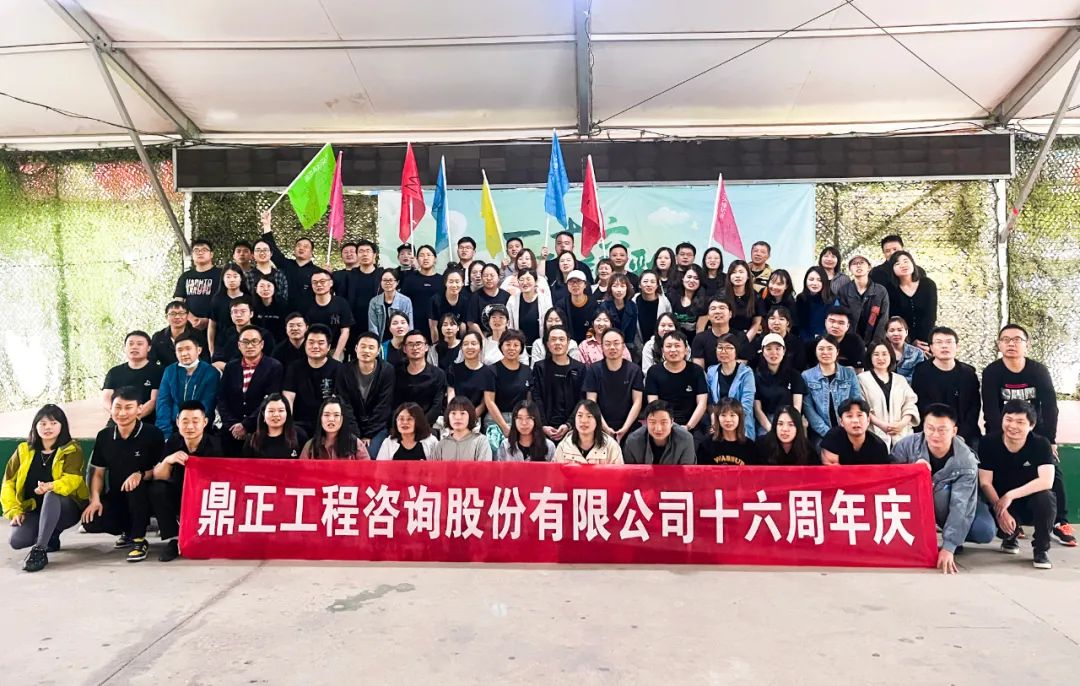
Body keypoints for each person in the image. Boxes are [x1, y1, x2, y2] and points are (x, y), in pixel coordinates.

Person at [981, 323, 1071, 545]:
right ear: (999, 344)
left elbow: (1050, 407)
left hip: (1034, 432)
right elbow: (990, 409)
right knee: (1002, 474)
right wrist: (1002, 438)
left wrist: (1050, 440)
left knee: (1052, 470)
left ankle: (1060, 521)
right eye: (1005, 339)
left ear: (1027, 345)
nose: (1011, 344)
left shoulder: (1038, 371)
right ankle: (1012, 522)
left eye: (1017, 339)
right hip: (1003, 431)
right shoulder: (992, 371)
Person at [890, 404, 995, 574]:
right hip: (917, 505)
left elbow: (961, 505)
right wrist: (911, 471)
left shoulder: (966, 461)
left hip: (950, 503)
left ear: (954, 431)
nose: (935, 434)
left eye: (942, 430)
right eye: (930, 428)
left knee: (984, 530)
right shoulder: (906, 446)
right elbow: (889, 479)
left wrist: (949, 546)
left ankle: (954, 535)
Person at [81, 387, 165, 562]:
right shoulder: (104, 436)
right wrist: (95, 499)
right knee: (91, 521)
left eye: (128, 407)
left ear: (139, 409)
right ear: (111, 408)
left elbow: (160, 470)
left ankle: (139, 540)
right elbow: (97, 473)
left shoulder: (152, 434)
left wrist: (140, 474)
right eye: (117, 407)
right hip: (117, 495)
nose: (122, 413)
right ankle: (127, 532)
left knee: (135, 487)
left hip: (145, 496)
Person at [3, 405, 88, 572]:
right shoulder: (23, 450)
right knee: (17, 541)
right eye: (42, 423)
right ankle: (50, 537)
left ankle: (40, 549)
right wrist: (14, 510)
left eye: (53, 423)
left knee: (51, 495)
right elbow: (8, 483)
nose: (48, 427)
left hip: (66, 508)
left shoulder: (72, 449)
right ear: (35, 426)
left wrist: (52, 486)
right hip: (35, 509)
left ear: (62, 426)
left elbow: (73, 479)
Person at [978, 400, 1058, 569]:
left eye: (1020, 422)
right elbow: (985, 482)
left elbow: (1046, 481)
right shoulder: (988, 443)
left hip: (1028, 502)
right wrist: (1001, 510)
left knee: (1046, 498)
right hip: (998, 501)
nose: (1013, 426)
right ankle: (1009, 536)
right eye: (1008, 419)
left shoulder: (1041, 444)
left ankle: (1041, 549)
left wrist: (1010, 495)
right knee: (987, 514)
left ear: (1031, 425)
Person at [148, 401, 222, 562]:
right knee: (157, 489)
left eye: (195, 421)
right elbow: (158, 476)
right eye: (185, 421)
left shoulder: (216, 445)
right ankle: (174, 539)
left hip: (207, 499)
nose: (190, 426)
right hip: (180, 496)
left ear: (205, 422)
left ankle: (203, 536)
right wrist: (168, 460)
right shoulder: (173, 442)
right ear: (177, 422)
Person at [217, 326, 284, 455]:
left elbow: (270, 400)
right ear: (239, 345)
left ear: (262, 344)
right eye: (245, 342)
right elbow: (222, 398)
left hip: (260, 428)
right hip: (231, 429)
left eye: (254, 341)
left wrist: (246, 425)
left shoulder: (274, 366)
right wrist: (233, 425)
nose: (250, 346)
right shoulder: (231, 367)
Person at [911, 326, 981, 448]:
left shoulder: (968, 373)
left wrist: (960, 435)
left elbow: (974, 408)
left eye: (949, 342)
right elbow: (920, 406)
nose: (944, 346)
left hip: (963, 434)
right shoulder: (921, 372)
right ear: (931, 347)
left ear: (957, 346)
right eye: (939, 342)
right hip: (931, 433)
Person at [335, 332, 395, 458]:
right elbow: (345, 405)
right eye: (363, 346)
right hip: (350, 425)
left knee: (370, 454)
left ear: (378, 351)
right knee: (349, 454)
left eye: (371, 347)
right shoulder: (344, 371)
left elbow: (383, 405)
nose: (366, 350)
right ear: (356, 348)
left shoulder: (387, 371)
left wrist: (368, 434)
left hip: (377, 427)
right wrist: (356, 435)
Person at [583, 329, 645, 442]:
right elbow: (591, 403)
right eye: (607, 344)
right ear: (602, 347)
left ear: (623, 346)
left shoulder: (634, 370)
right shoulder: (593, 370)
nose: (612, 347)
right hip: (599, 425)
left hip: (629, 426)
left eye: (616, 343)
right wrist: (606, 429)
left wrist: (625, 429)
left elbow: (637, 402)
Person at [282, 325, 344, 436]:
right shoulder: (294, 368)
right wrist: (288, 425)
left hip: (327, 423)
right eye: (311, 342)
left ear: (329, 347)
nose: (315, 346)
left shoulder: (339, 369)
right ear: (305, 345)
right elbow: (288, 398)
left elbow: (339, 401)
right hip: (300, 424)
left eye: (320, 343)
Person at [857, 340, 919, 450]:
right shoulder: (861, 379)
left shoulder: (900, 380)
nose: (880, 358)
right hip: (873, 435)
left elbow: (910, 404)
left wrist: (902, 424)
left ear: (891, 356)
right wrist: (882, 425)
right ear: (870, 357)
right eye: (876, 354)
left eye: (884, 354)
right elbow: (861, 407)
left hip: (902, 435)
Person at [156, 334, 219, 441]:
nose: (184, 353)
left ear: (199, 350)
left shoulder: (210, 372)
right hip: (173, 427)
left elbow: (208, 403)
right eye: (179, 350)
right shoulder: (170, 371)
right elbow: (163, 401)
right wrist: (165, 432)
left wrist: (193, 425)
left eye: (188, 349)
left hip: (200, 428)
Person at [801, 335, 863, 443]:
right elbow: (809, 410)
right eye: (821, 349)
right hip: (820, 434)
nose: (825, 352)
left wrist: (848, 428)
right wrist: (828, 433)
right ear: (815, 352)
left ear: (837, 352)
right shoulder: (806, 376)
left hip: (848, 430)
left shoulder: (849, 373)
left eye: (830, 348)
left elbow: (857, 402)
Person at [530, 326, 587, 443]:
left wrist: (569, 424)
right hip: (544, 428)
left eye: (561, 339)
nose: (557, 343)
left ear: (568, 342)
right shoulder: (540, 367)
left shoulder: (580, 368)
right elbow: (536, 397)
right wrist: (543, 425)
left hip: (572, 428)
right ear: (547, 344)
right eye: (553, 339)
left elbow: (582, 399)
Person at [645, 331, 709, 434]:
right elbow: (653, 404)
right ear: (662, 350)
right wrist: (667, 425)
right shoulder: (654, 372)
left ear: (686, 350)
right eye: (668, 346)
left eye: (677, 346)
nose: (673, 350)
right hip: (663, 424)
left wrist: (688, 427)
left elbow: (702, 403)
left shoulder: (696, 371)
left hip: (692, 424)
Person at [259, 211, 319, 311]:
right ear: (294, 250)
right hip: (282, 312)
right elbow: (272, 249)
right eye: (298, 245)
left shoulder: (318, 272)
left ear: (311, 253)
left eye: (306, 247)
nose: (301, 248)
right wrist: (266, 225)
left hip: (307, 314)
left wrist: (327, 274)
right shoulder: (285, 264)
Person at [752, 333, 807, 437]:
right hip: (766, 422)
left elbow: (797, 408)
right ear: (762, 351)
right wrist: (770, 428)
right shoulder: (756, 377)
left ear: (784, 351)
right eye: (769, 349)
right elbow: (757, 409)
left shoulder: (794, 375)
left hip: (790, 419)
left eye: (778, 349)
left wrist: (787, 425)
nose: (774, 353)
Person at [102, 330, 162, 424]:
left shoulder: (158, 371)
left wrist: (132, 419)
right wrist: (118, 415)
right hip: (118, 420)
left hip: (145, 421)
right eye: (130, 344)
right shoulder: (114, 372)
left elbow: (153, 401)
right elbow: (106, 398)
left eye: (139, 344)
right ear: (125, 348)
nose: (134, 347)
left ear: (149, 348)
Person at [484, 330, 531, 444]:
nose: (512, 348)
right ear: (501, 346)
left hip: (521, 419)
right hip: (495, 419)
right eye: (508, 344)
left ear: (521, 348)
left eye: (516, 345)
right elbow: (489, 401)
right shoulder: (491, 370)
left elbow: (529, 401)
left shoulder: (528, 371)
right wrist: (504, 427)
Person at [705, 334, 756, 439]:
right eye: (720, 347)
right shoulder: (711, 371)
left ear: (736, 351)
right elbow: (710, 401)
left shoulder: (746, 373)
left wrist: (729, 422)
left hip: (742, 424)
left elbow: (746, 405)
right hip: (718, 423)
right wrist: (715, 419)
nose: (724, 351)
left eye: (729, 348)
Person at [393, 330, 447, 428]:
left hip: (426, 425)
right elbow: (393, 403)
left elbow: (436, 406)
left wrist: (419, 426)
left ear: (426, 347)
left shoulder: (438, 374)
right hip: (400, 425)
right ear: (404, 349)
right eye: (410, 344)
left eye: (418, 344)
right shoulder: (397, 372)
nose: (415, 348)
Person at [885, 251, 936, 353]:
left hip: (927, 338)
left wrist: (924, 342)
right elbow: (894, 318)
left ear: (913, 263)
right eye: (897, 263)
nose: (903, 265)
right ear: (892, 269)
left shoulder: (928, 284)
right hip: (902, 339)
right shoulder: (890, 289)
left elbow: (930, 315)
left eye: (906, 261)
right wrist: (911, 341)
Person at [621, 400, 695, 465]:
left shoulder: (685, 439)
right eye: (652, 422)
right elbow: (630, 472)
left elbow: (688, 472)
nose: (658, 429)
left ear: (672, 422)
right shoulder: (633, 441)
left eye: (663, 422)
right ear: (646, 422)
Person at [836, 254, 889, 343]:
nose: (858, 265)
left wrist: (876, 343)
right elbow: (842, 317)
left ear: (869, 267)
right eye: (854, 263)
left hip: (875, 341)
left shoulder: (880, 291)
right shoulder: (843, 291)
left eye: (862, 262)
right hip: (850, 340)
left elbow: (883, 320)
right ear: (850, 269)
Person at [211, 297, 275, 371]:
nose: (238, 315)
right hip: (230, 374)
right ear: (231, 315)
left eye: (243, 311)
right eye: (235, 312)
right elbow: (216, 362)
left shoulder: (264, 335)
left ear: (251, 314)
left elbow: (270, 362)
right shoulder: (224, 334)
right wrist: (236, 370)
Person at [820, 399, 890, 466]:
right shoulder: (833, 438)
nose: (855, 420)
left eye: (859, 415)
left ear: (868, 420)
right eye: (849, 416)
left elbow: (880, 472)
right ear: (841, 422)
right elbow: (831, 470)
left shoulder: (879, 446)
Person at [553, 400, 624, 465]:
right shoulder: (564, 446)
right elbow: (555, 473)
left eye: (589, 416)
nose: (584, 420)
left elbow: (619, 473)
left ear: (597, 420)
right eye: (580, 415)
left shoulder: (611, 446)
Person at [448, 331, 496, 425]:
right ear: (461, 348)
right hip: (455, 417)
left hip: (477, 419)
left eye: (473, 344)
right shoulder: (453, 369)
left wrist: (470, 418)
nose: (469, 347)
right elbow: (451, 397)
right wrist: (455, 415)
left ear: (480, 348)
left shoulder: (488, 372)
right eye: (465, 344)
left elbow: (484, 403)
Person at [172, 238, 221, 330]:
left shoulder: (221, 274)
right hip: (190, 325)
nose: (200, 253)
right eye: (196, 250)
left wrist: (210, 320)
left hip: (217, 325)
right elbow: (178, 302)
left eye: (204, 250)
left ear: (211, 254)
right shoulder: (185, 276)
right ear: (192, 255)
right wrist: (193, 319)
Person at [305, 269, 353, 361]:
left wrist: (337, 354)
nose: (319, 285)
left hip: (335, 348)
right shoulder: (306, 304)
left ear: (331, 283)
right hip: (313, 348)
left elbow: (345, 331)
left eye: (322, 281)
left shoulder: (341, 303)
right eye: (315, 282)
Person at [300, 397, 370, 460]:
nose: (331, 419)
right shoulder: (310, 446)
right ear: (321, 418)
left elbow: (368, 469)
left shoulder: (355, 444)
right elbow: (301, 469)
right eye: (326, 415)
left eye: (336, 415)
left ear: (342, 419)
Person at [698, 398, 760, 466]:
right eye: (723, 415)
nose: (728, 420)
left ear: (740, 417)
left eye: (732, 415)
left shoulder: (750, 447)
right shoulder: (706, 444)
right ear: (717, 418)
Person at [243, 393, 307, 459]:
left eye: (281, 411)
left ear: (287, 413)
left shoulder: (299, 435)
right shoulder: (252, 440)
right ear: (263, 414)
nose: (276, 414)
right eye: (271, 411)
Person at [692, 298, 750, 369]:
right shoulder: (699, 339)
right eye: (713, 309)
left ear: (730, 314)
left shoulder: (740, 336)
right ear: (708, 316)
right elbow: (699, 369)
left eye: (722, 308)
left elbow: (742, 365)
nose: (717, 311)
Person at [207, 263, 250, 356]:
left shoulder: (249, 299)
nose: (232, 280)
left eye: (235, 276)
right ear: (223, 279)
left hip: (246, 343)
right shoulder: (217, 299)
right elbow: (212, 326)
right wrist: (211, 349)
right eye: (228, 277)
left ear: (241, 278)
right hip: (223, 345)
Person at [149, 300, 209, 367]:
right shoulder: (158, 337)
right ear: (166, 317)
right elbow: (151, 360)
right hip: (167, 372)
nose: (177, 317)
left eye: (181, 313)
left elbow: (205, 359)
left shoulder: (197, 335)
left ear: (187, 316)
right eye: (173, 314)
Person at [400, 245, 443, 335]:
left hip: (438, 326)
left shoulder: (442, 280)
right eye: (422, 255)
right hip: (415, 326)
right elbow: (402, 304)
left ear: (435, 259)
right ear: (417, 259)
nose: (425, 258)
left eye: (428, 255)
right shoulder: (410, 280)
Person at [748, 306, 805, 371]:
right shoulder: (759, 342)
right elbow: (752, 365)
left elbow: (800, 366)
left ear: (787, 323)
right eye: (772, 318)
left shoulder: (797, 343)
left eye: (781, 319)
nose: (776, 323)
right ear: (767, 321)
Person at [507, 268, 552, 348]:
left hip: (541, 347)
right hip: (519, 348)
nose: (525, 283)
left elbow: (550, 323)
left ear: (536, 281)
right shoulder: (512, 300)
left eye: (528, 279)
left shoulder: (545, 300)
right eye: (521, 279)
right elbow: (509, 325)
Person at [368, 269, 413, 341]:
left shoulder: (405, 301)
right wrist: (377, 344)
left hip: (400, 341)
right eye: (385, 280)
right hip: (381, 341)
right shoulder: (374, 301)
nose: (388, 283)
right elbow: (373, 327)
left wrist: (406, 342)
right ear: (380, 282)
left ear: (397, 282)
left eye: (391, 280)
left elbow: (409, 326)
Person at [466, 263, 511, 335]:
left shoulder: (506, 296)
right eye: (485, 276)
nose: (489, 278)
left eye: (492, 275)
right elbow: (471, 322)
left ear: (498, 277)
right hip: (483, 335)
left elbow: (511, 320)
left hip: (504, 336)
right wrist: (483, 339)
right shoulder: (475, 297)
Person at [669, 264, 709, 343]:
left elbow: (699, 330)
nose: (692, 280)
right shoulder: (672, 296)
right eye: (689, 277)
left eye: (696, 278)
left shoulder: (704, 302)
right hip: (673, 340)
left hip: (693, 341)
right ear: (683, 278)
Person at [429, 267, 470, 343]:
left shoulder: (465, 300)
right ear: (445, 283)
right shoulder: (435, 300)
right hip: (440, 339)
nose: (454, 285)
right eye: (451, 282)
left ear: (462, 283)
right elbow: (433, 327)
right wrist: (436, 346)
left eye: (457, 282)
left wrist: (462, 344)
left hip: (458, 340)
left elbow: (463, 325)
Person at [555, 270, 597, 344]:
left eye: (578, 281)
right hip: (567, 343)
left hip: (589, 343)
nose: (575, 285)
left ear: (585, 285)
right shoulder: (561, 305)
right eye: (571, 282)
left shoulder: (593, 304)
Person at [633, 269, 672, 347]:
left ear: (657, 285)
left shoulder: (664, 302)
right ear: (639, 285)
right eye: (645, 281)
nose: (649, 284)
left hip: (661, 345)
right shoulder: (633, 302)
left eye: (652, 282)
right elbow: (632, 330)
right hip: (638, 347)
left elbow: (670, 324)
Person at [246, 237, 291, 304]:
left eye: (265, 250)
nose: (262, 253)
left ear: (271, 253)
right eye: (258, 250)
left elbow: (284, 298)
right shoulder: (248, 276)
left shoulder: (279, 274)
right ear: (253, 255)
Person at [599, 273, 638, 350]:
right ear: (610, 288)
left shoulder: (632, 306)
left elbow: (631, 333)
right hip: (609, 343)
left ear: (627, 288)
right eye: (615, 286)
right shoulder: (604, 306)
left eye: (622, 286)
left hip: (627, 344)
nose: (619, 290)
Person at [755, 269, 798, 337]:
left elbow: (791, 326)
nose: (774, 287)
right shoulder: (763, 294)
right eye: (772, 282)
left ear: (786, 286)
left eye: (779, 284)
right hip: (764, 333)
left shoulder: (790, 303)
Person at [795, 266, 832, 343]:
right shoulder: (801, 298)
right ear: (806, 281)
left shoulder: (832, 299)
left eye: (819, 280)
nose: (815, 283)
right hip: (805, 341)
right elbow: (800, 325)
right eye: (811, 279)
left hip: (826, 341)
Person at [884, 316, 926, 382]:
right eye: (892, 330)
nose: (896, 334)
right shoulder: (881, 351)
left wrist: (896, 382)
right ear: (886, 334)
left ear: (906, 332)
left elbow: (917, 377)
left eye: (899, 330)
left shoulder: (917, 353)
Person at [642, 312, 683, 376]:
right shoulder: (649, 346)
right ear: (657, 328)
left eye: (670, 325)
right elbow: (647, 371)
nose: (666, 329)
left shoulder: (683, 344)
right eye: (663, 325)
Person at [252, 274, 290, 344]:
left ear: (274, 288)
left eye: (269, 286)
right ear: (256, 289)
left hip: (279, 342)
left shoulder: (283, 305)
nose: (265, 289)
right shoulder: (252, 306)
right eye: (261, 286)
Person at [723, 260, 757, 333]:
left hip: (747, 335)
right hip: (725, 335)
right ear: (729, 276)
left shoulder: (755, 296)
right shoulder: (721, 295)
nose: (737, 275)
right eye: (734, 272)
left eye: (741, 272)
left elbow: (756, 323)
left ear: (748, 276)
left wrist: (746, 339)